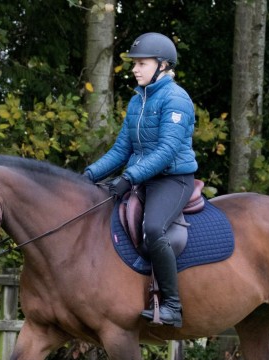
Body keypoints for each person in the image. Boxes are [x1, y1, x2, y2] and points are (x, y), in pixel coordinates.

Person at [84, 32, 198, 328]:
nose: (134, 69)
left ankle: (172, 305)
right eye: (134, 64)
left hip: (173, 179)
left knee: (153, 228)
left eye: (141, 64)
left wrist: (128, 177)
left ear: (162, 65)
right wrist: (88, 175)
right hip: (142, 178)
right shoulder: (138, 101)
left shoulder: (176, 99)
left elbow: (166, 150)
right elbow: (122, 148)